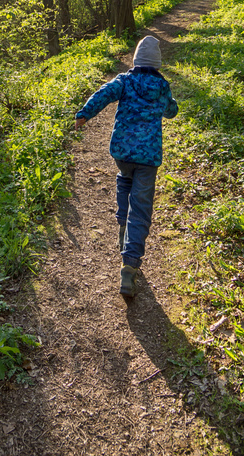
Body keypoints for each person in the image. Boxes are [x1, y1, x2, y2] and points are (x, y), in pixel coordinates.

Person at [74, 34, 178, 298]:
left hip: (122, 150)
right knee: (141, 207)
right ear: (157, 64)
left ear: (135, 60)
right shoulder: (162, 86)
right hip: (149, 156)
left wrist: (84, 114)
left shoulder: (125, 80)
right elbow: (171, 111)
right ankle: (129, 265)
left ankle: (122, 223)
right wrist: (167, 105)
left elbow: (103, 94)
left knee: (124, 177)